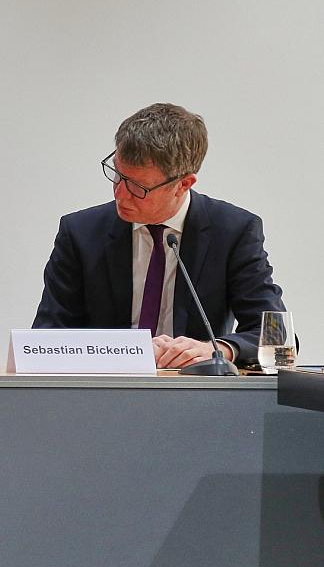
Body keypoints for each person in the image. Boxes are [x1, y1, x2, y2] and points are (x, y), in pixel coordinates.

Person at [32, 103, 286, 369]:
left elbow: (277, 339)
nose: (120, 194)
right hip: (105, 384)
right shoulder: (80, 232)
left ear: (183, 184)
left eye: (137, 187)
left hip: (195, 389)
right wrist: (121, 350)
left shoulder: (233, 231)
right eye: (117, 175)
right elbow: (46, 337)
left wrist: (219, 350)